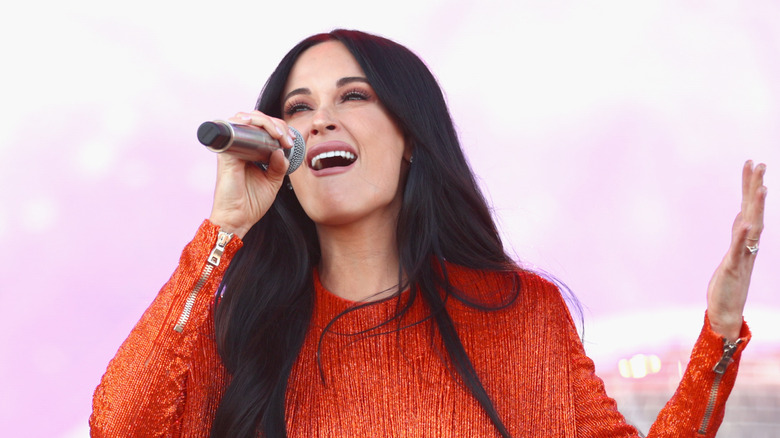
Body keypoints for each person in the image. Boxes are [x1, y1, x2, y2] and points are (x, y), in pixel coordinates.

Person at [90, 29, 767, 437]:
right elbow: (118, 428)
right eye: (299, 108)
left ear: (411, 137)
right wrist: (224, 232)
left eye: (353, 96)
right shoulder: (240, 328)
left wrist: (721, 329)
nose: (321, 120)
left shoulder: (515, 313)